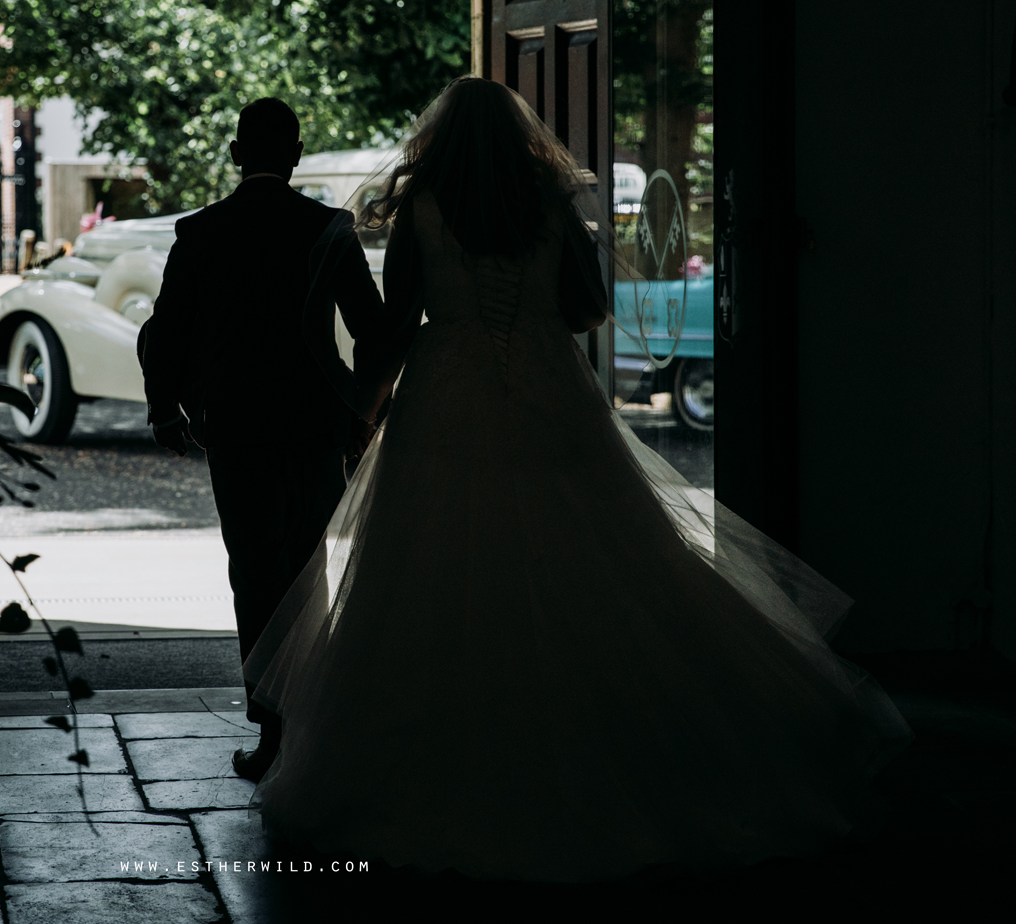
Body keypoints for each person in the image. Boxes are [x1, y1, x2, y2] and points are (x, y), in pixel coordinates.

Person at [240, 77, 912, 882]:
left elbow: (393, 324)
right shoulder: (546, 205)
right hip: (549, 388)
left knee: (435, 570)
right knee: (598, 556)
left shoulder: (420, 208)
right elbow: (591, 310)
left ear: (440, 140)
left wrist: (358, 393)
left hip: (446, 393)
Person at [138, 97, 382, 780]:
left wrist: (166, 411)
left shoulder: (202, 232)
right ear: (297, 154)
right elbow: (369, 327)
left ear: (236, 153)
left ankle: (271, 727)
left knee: (254, 574)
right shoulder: (329, 228)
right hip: (314, 426)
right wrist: (362, 412)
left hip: (237, 427)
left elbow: (168, 331)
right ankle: (312, 715)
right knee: (310, 574)